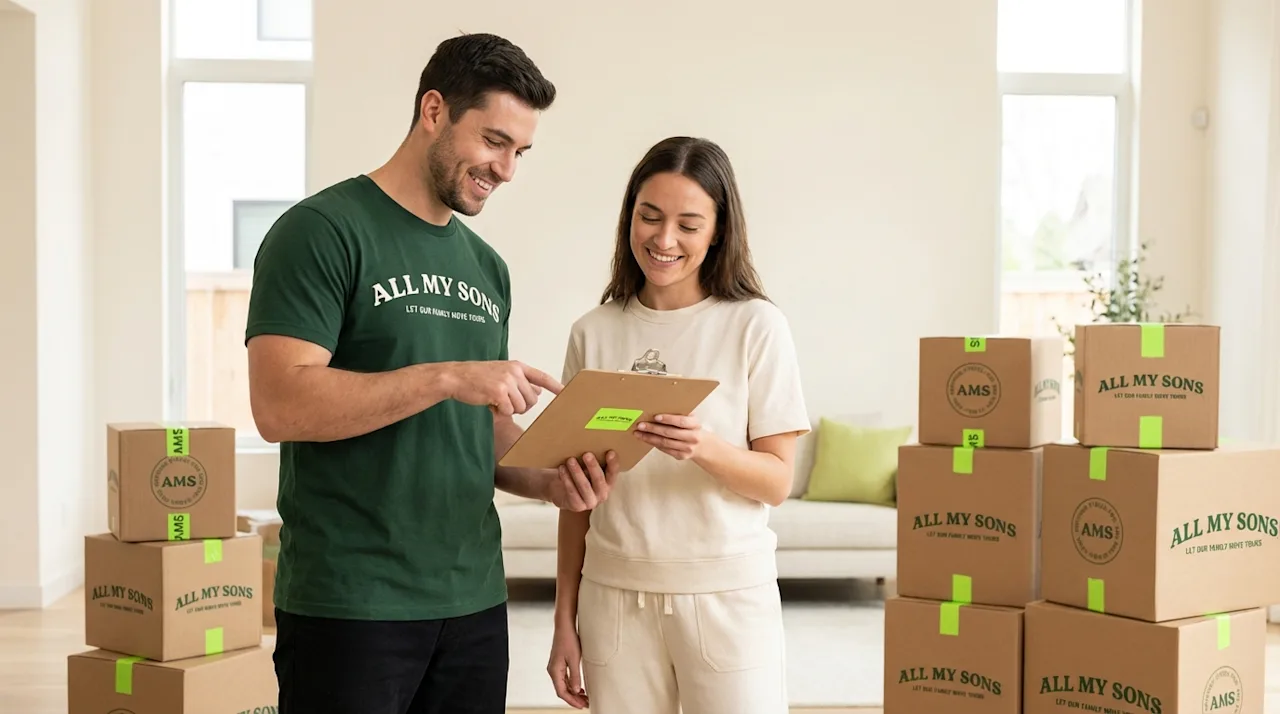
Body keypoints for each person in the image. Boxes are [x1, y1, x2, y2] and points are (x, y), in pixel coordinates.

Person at [244, 33, 619, 714]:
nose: (505, 169)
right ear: (435, 110)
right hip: (351, 603)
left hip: (473, 600)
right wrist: (447, 377)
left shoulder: (486, 268)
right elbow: (279, 404)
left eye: (520, 153)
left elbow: (483, 431)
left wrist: (551, 482)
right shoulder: (320, 232)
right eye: (494, 141)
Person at [546, 136, 811, 714]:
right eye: (650, 217)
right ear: (629, 218)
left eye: (689, 224)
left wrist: (705, 447)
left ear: (718, 231)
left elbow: (776, 482)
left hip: (728, 599)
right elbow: (576, 497)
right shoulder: (593, 331)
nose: (664, 240)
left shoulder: (756, 326)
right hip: (613, 599)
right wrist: (564, 616)